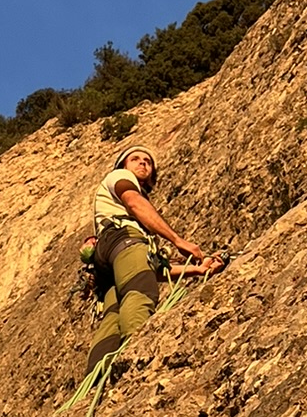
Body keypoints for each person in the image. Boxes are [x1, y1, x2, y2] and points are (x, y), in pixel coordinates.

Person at [85, 143, 224, 374]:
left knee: (112, 316)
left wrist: (197, 271)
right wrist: (177, 240)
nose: (142, 163)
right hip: (124, 240)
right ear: (123, 166)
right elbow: (134, 202)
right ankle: (133, 356)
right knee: (140, 292)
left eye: (147, 161)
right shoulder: (120, 177)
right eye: (135, 159)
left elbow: (152, 269)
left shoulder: (116, 207)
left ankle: (96, 376)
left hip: (110, 257)